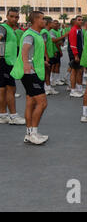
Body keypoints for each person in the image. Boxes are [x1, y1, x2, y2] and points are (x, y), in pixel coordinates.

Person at [10, 11, 49, 145]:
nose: (45, 21)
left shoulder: (36, 34)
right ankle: (33, 133)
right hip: (31, 74)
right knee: (42, 103)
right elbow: (25, 50)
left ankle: (30, 133)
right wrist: (26, 64)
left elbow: (32, 52)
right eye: (43, 19)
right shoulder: (29, 34)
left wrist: (40, 61)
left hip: (34, 72)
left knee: (31, 102)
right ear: (36, 20)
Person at [0, 8, 26, 125]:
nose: (14, 19)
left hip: (8, 62)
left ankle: (3, 115)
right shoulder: (3, 28)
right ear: (7, 16)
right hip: (4, 62)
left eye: (16, 17)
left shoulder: (11, 29)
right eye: (11, 16)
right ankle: (13, 116)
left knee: (4, 89)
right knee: (10, 89)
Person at [68, 16, 84, 97]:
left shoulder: (80, 30)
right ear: (75, 21)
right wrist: (76, 55)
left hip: (80, 52)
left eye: (82, 20)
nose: (81, 21)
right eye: (79, 20)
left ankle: (79, 88)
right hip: (75, 53)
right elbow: (73, 44)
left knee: (80, 71)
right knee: (74, 71)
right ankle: (73, 90)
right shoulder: (73, 30)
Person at [49, 20, 68, 87]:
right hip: (54, 50)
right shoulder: (52, 31)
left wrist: (61, 42)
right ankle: (52, 80)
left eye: (57, 24)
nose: (57, 25)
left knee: (57, 65)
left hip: (57, 50)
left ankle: (56, 79)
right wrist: (64, 36)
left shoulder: (58, 31)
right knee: (53, 65)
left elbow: (58, 40)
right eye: (55, 24)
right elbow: (54, 41)